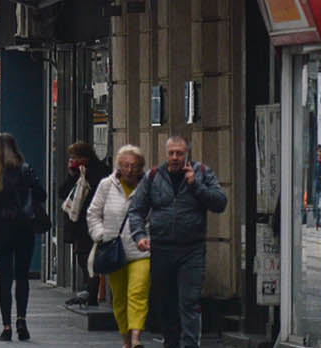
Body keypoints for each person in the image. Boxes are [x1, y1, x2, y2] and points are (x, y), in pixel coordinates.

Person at [126, 135, 227, 348]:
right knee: (166, 304)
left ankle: (190, 345)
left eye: (179, 153)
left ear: (187, 154)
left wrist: (196, 186)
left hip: (192, 249)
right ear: (166, 154)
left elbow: (220, 203)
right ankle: (171, 344)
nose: (175, 157)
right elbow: (137, 209)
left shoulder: (201, 173)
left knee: (189, 301)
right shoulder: (153, 176)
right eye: (171, 153)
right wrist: (139, 235)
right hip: (162, 249)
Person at [0, 132, 46, 342]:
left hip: (0, 229)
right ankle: (21, 319)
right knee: (22, 276)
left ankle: (6, 326)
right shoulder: (25, 170)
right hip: (23, 228)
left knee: (4, 279)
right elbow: (41, 195)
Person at [88, 145, 151, 348]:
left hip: (141, 251)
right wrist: (101, 235)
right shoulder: (107, 185)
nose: (129, 169)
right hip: (114, 250)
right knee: (120, 299)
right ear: (118, 166)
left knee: (138, 294)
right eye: (125, 165)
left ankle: (136, 338)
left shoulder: (149, 186)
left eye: (134, 165)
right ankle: (126, 339)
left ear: (141, 167)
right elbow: (93, 213)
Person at [62, 141, 111, 307]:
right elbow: (63, 192)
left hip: (92, 222)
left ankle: (91, 293)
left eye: (75, 157)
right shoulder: (78, 173)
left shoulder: (99, 172)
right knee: (84, 258)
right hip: (80, 223)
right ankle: (89, 291)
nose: (73, 160)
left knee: (89, 258)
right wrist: (72, 174)